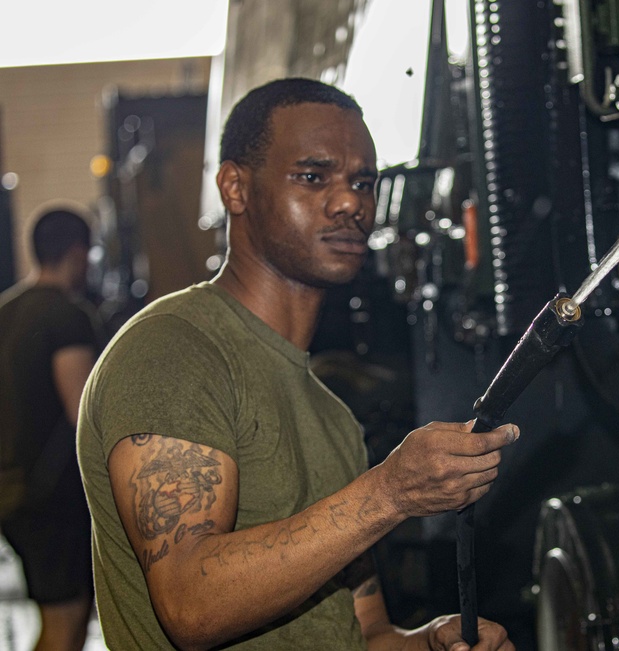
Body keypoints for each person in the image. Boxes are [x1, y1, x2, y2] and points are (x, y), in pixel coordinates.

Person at [77, 78, 517, 650]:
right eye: (313, 177)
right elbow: (191, 605)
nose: (350, 203)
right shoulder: (174, 350)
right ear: (235, 188)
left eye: (363, 183)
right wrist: (387, 493)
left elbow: (364, 634)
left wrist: (428, 644)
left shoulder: (331, 416)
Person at [0, 207, 100, 651]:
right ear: (78, 253)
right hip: (51, 500)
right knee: (65, 619)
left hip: (12, 491)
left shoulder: (7, 310)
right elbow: (83, 414)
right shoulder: (66, 317)